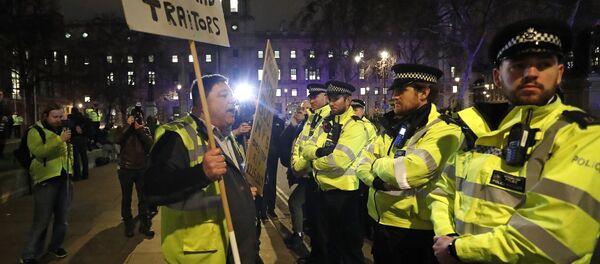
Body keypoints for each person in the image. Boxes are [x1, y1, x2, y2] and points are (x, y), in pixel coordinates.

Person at [429, 18, 600, 264]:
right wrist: (446, 234)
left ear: (559, 73)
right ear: (498, 78)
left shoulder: (582, 136)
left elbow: (552, 236)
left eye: (543, 65)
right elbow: (442, 191)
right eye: (518, 66)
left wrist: (459, 248)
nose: (531, 74)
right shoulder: (485, 134)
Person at [143, 74, 257, 263]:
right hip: (201, 255)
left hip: (237, 250)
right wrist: (201, 173)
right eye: (223, 95)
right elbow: (152, 189)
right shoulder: (176, 135)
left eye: (232, 96)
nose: (233, 101)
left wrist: (242, 193)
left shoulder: (227, 138)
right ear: (201, 102)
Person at [354, 64, 461, 263]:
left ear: (424, 92)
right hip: (382, 223)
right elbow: (362, 163)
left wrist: (378, 165)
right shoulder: (393, 125)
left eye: (401, 90)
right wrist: (377, 182)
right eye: (394, 90)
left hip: (414, 232)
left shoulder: (444, 130)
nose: (394, 96)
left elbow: (408, 172)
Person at [302, 80, 369, 263]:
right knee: (328, 246)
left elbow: (339, 161)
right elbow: (306, 148)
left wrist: (314, 163)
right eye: (330, 98)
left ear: (348, 100)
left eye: (336, 99)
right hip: (323, 193)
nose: (332, 103)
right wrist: (319, 152)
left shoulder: (355, 126)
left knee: (348, 249)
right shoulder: (326, 122)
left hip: (345, 196)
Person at [20, 103, 73, 264]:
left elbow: (67, 151)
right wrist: (59, 140)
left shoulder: (60, 131)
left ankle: (55, 246)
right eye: (54, 117)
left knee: (62, 219)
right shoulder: (34, 131)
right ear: (45, 116)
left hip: (64, 179)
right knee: (42, 220)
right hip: (46, 181)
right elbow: (39, 151)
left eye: (60, 117)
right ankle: (29, 254)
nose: (58, 120)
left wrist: (71, 169)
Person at [291, 84, 331, 258]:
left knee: (321, 227)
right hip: (308, 176)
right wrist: (296, 163)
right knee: (315, 224)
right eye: (310, 96)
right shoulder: (312, 117)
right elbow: (299, 143)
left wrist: (299, 166)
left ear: (326, 97)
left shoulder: (328, 117)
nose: (311, 100)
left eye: (316, 96)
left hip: (317, 178)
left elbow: (317, 148)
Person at [115, 109, 154, 238]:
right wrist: (128, 126)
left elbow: (150, 145)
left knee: (143, 198)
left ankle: (145, 224)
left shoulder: (145, 130)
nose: (137, 120)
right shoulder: (123, 129)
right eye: (134, 117)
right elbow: (117, 139)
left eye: (139, 118)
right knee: (126, 198)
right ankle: (128, 224)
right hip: (126, 168)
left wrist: (140, 129)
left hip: (142, 168)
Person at [280, 101, 309, 249]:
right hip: (303, 175)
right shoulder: (300, 125)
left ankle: (298, 235)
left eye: (305, 109)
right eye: (300, 109)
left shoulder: (310, 126)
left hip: (311, 178)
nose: (301, 111)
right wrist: (293, 122)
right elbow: (284, 141)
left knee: (295, 202)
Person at [68, 108, 89, 181]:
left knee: (75, 157)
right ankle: (85, 174)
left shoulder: (71, 119)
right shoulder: (84, 119)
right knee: (84, 157)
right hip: (83, 138)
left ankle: (77, 175)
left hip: (74, 139)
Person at [0, 90, 10, 158]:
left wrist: (7, 117)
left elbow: (9, 113)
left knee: (3, 139)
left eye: (1, 94)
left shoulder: (5, 104)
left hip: (4, 125)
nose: (0, 96)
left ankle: (1, 153)